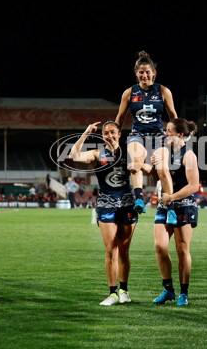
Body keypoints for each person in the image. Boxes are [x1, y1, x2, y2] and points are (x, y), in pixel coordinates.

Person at [70, 121, 138, 306]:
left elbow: (141, 167)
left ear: (119, 133)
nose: (109, 135)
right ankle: (113, 293)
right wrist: (85, 132)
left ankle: (124, 291)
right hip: (107, 204)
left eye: (113, 132)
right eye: (106, 133)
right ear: (102, 136)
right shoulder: (97, 154)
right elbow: (73, 155)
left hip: (127, 204)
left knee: (124, 251)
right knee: (111, 250)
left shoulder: (129, 151)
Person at [114, 51, 178, 221]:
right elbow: (119, 119)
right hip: (137, 135)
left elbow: (173, 116)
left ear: (154, 73)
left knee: (163, 169)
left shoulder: (164, 91)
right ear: (136, 74)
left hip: (158, 136)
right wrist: (114, 138)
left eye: (147, 72)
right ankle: (140, 199)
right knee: (135, 164)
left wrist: (176, 136)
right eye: (141, 72)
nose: (144, 75)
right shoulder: (129, 93)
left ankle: (170, 207)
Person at [150, 118, 199, 306]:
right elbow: (159, 177)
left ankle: (183, 293)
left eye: (170, 131)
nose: (166, 134)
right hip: (165, 204)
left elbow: (194, 186)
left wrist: (173, 197)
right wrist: (154, 167)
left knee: (182, 249)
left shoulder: (189, 155)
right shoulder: (163, 152)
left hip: (184, 204)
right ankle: (168, 289)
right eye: (166, 130)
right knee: (160, 246)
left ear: (180, 134)